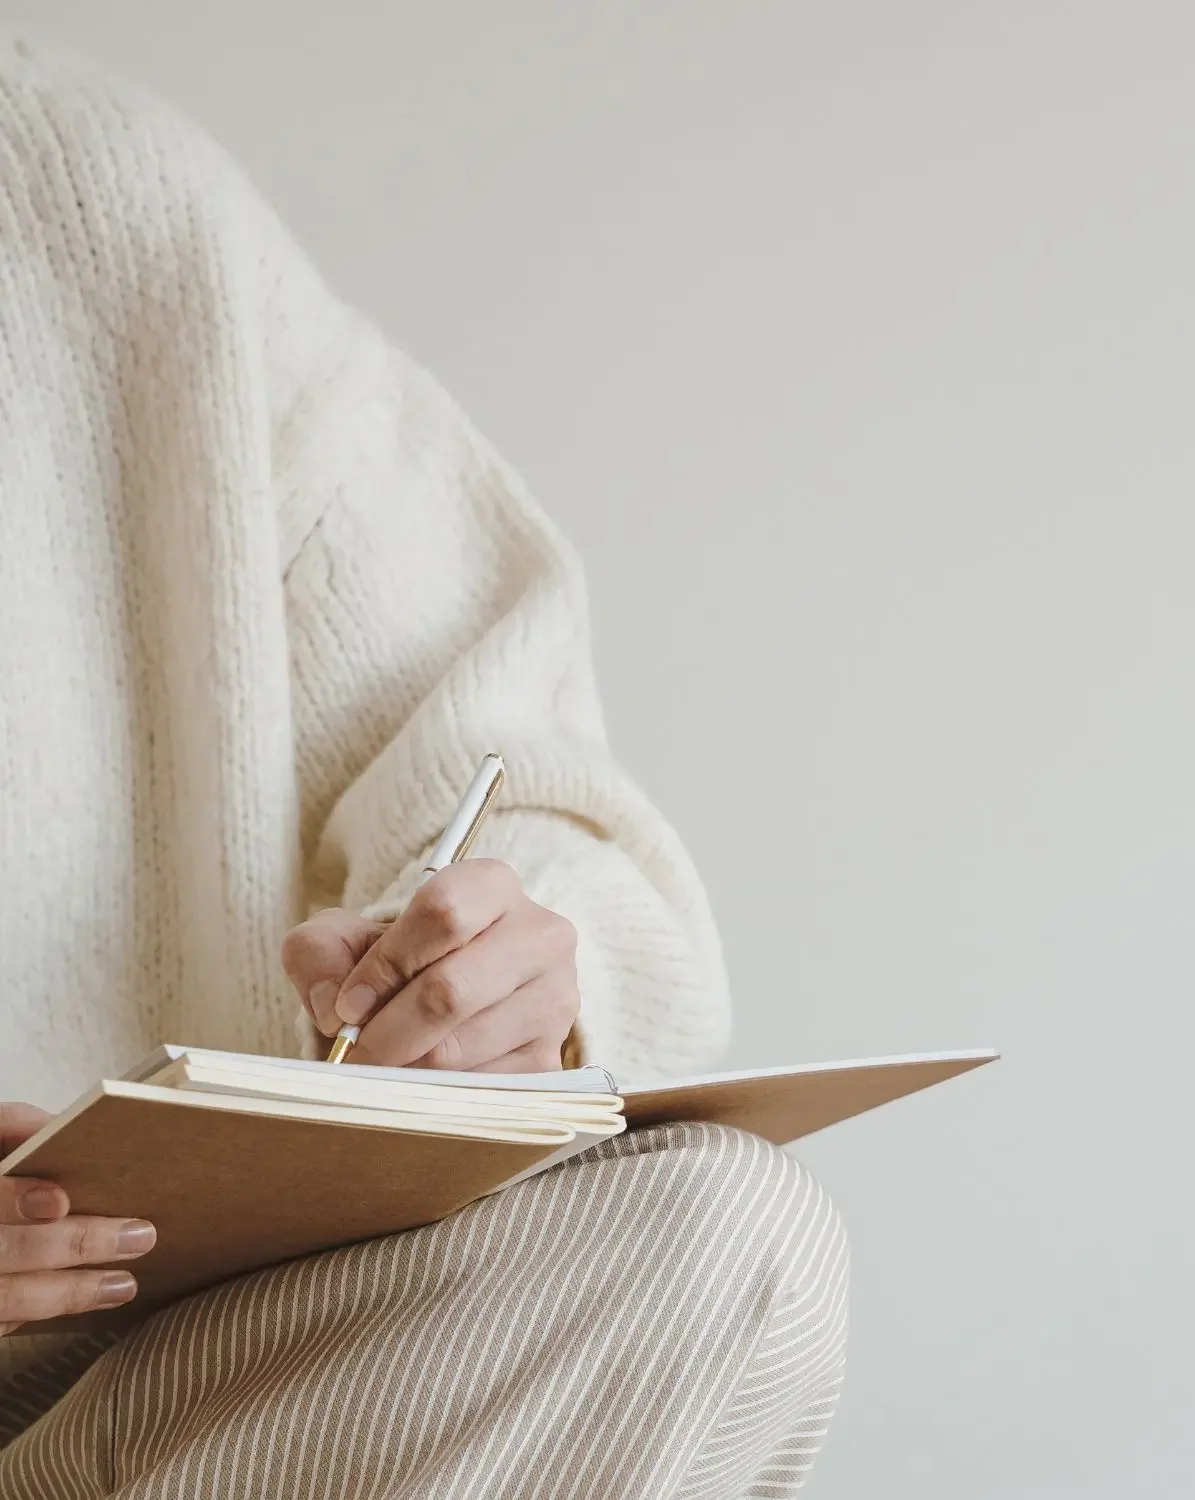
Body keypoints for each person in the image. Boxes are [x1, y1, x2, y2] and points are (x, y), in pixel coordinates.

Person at [0, 38, 847, 1498]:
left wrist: (512, 980)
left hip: (180, 1397)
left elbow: (513, 770)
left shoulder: (99, 207)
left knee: (727, 1241)